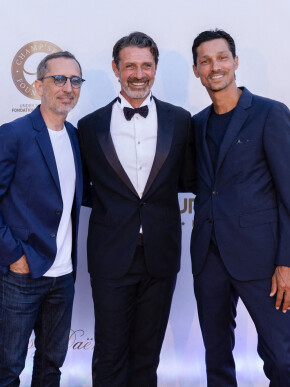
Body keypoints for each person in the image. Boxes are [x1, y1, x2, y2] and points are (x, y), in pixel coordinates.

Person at [77, 31, 196, 386]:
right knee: (110, 353)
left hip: (160, 256)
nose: (138, 74)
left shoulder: (181, 120)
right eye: (130, 66)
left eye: (146, 65)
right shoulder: (89, 126)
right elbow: (83, 190)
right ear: (116, 69)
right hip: (110, 255)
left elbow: (187, 179)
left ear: (155, 69)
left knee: (148, 354)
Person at [190, 29, 290, 386]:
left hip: (261, 260)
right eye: (205, 61)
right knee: (217, 359)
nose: (215, 66)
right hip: (209, 257)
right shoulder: (195, 124)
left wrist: (288, 262)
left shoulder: (270, 114)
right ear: (196, 70)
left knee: (279, 359)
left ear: (236, 62)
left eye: (222, 57)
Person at [0, 51, 84, 386]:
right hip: (22, 275)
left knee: (51, 367)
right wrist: (13, 255)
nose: (68, 87)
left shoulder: (76, 136)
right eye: (58, 79)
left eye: (75, 80)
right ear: (38, 86)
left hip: (63, 278)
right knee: (9, 367)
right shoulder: (15, 133)